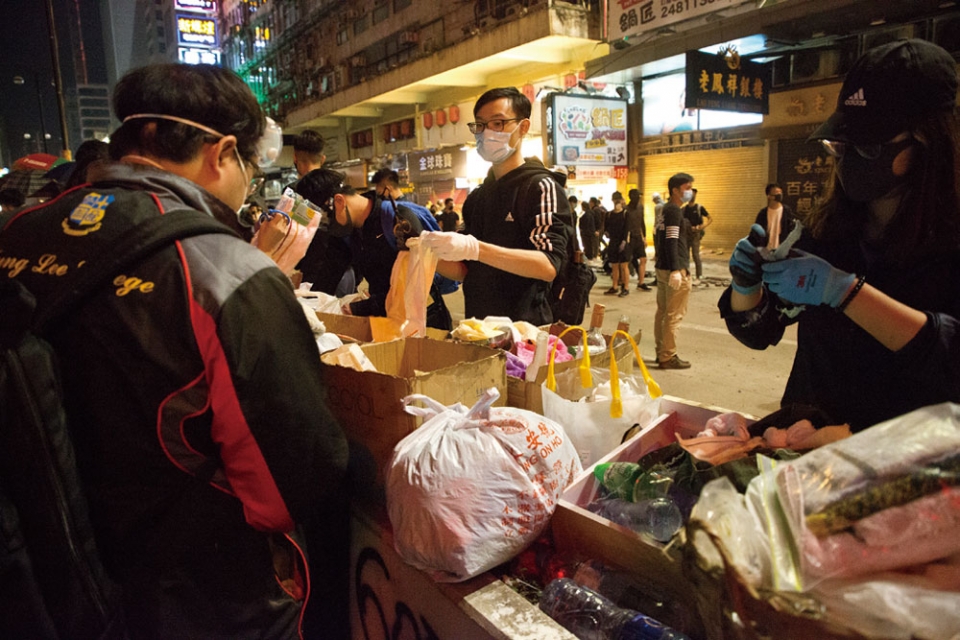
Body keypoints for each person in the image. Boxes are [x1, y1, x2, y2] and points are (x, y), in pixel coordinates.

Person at [0, 63, 350, 639]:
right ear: (223, 153)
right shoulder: (224, 270)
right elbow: (289, 481)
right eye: (249, 167)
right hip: (192, 600)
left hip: (44, 579)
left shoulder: (18, 233)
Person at [721, 38, 960, 432]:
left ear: (927, 141)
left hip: (898, 468)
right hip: (801, 448)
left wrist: (846, 293)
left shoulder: (948, 240)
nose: (848, 159)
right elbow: (761, 331)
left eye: (867, 147)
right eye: (841, 144)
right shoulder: (828, 230)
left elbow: (950, 358)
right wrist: (746, 286)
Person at [421, 86, 572, 325]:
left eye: (498, 123)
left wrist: (476, 249)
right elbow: (465, 271)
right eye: (480, 125)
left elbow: (547, 265)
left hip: (525, 333)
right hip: (478, 328)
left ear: (523, 127)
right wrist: (426, 251)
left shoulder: (540, 187)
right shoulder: (478, 196)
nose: (487, 133)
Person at [297, 168, 453, 330]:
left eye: (326, 219)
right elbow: (328, 276)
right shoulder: (345, 232)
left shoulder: (398, 220)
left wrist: (359, 308)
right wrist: (307, 307)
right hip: (386, 321)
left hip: (425, 323)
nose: (327, 226)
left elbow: (415, 286)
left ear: (339, 201)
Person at [294, 169, 357, 297]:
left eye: (306, 201)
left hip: (334, 283)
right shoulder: (334, 225)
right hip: (338, 279)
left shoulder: (328, 231)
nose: (304, 207)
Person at [654, 172, 695, 369]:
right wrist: (676, 269)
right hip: (673, 267)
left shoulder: (665, 209)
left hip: (663, 266)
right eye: (687, 188)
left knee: (662, 312)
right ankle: (667, 356)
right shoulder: (674, 211)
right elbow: (671, 240)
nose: (690, 192)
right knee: (673, 315)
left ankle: (661, 351)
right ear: (675, 190)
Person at [603, 191, 630, 297]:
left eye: (618, 199)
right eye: (615, 199)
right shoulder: (608, 214)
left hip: (622, 242)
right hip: (613, 242)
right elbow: (606, 228)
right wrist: (606, 233)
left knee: (624, 265)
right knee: (614, 265)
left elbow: (627, 229)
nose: (617, 202)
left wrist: (624, 241)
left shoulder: (625, 213)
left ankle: (626, 287)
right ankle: (614, 286)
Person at [754, 183, 798, 250]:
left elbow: (792, 229)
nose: (779, 195)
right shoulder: (763, 213)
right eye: (777, 193)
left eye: (780, 192)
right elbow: (757, 232)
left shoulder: (786, 211)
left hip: (782, 250)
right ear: (769, 196)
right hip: (766, 250)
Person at [682, 187, 711, 281]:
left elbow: (710, 218)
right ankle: (686, 275)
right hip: (686, 235)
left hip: (696, 235)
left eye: (694, 194)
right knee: (685, 255)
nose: (693, 196)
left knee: (695, 255)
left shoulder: (699, 208)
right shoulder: (684, 209)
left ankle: (699, 276)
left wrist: (702, 227)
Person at [626, 188, 651, 291]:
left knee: (643, 259)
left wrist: (644, 237)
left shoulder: (641, 207)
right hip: (629, 237)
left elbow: (642, 223)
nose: (639, 198)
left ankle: (641, 283)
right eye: (637, 196)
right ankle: (625, 284)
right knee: (626, 261)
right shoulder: (626, 209)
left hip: (638, 237)